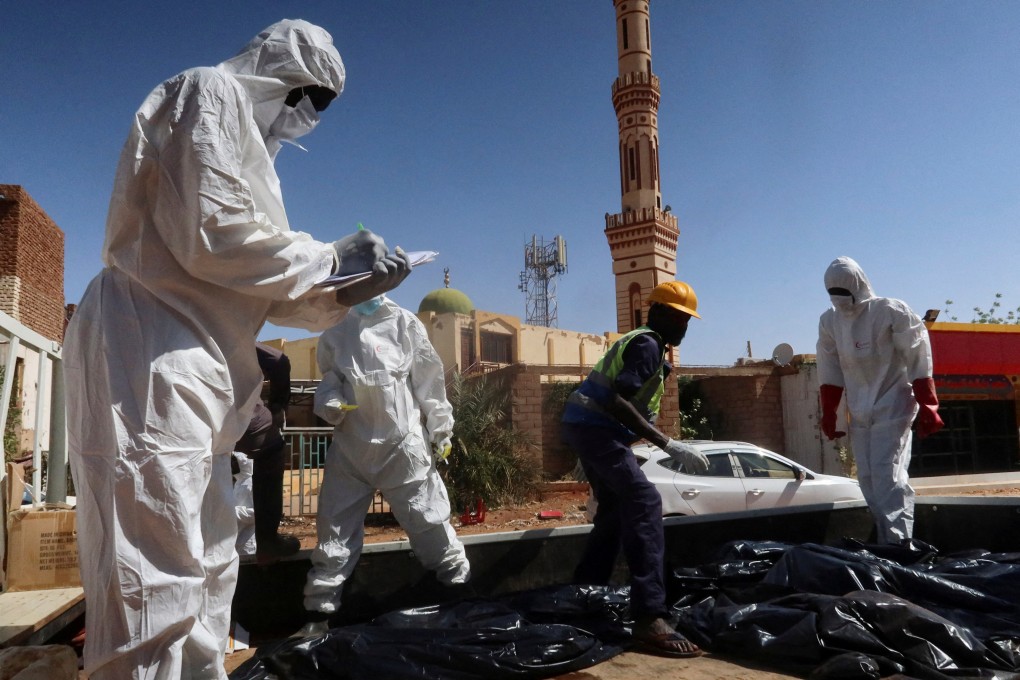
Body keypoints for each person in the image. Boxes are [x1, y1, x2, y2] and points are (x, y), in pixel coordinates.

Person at [63, 20, 412, 679]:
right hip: (150, 351)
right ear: (281, 71)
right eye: (312, 97)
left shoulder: (258, 162)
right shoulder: (208, 94)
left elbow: (261, 288)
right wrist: (330, 254)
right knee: (154, 573)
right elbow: (213, 238)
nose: (312, 117)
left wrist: (347, 288)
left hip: (197, 362)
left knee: (210, 558)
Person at [298, 294, 470, 637]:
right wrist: (330, 401)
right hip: (352, 449)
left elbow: (429, 381)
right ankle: (318, 614)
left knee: (428, 521)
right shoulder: (334, 329)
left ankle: (460, 595)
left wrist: (441, 427)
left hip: (402, 446)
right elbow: (331, 379)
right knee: (335, 530)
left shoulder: (405, 323)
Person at [560, 280, 709, 659]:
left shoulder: (647, 345)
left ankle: (585, 591)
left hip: (590, 429)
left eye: (687, 320)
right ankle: (649, 617)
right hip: (596, 429)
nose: (685, 327)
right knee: (644, 500)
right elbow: (616, 399)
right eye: (680, 318)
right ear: (658, 313)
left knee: (613, 510)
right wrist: (667, 443)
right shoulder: (647, 344)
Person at [817, 256, 944, 544]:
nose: (840, 301)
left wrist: (929, 405)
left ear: (858, 285)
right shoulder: (829, 321)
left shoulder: (890, 311)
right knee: (869, 481)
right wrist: (829, 412)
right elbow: (829, 368)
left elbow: (918, 356)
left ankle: (899, 547)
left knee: (888, 478)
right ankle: (889, 543)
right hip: (860, 411)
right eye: (833, 294)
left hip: (893, 405)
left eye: (844, 293)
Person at [233, 343, 300, 565]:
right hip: (242, 421)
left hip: (193, 424)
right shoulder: (226, 329)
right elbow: (279, 361)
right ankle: (267, 542)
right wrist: (278, 405)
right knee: (271, 452)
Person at [231, 452, 257, 557]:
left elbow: (256, 514)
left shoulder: (251, 484)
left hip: (247, 540)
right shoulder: (240, 482)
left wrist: (233, 512)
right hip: (235, 535)